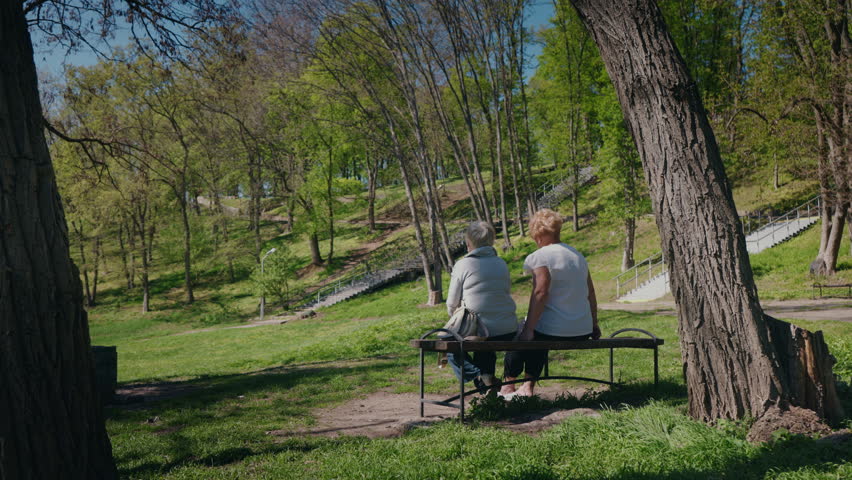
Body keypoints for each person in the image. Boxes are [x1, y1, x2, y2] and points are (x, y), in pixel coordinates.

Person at [500, 209, 600, 398]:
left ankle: (508, 385)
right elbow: (591, 292)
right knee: (539, 331)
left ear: (537, 235)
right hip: (582, 330)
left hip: (555, 331)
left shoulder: (541, 256)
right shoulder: (578, 256)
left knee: (525, 333)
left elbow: (541, 292)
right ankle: (527, 385)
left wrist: (528, 329)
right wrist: (594, 324)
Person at [445, 221, 518, 392]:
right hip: (508, 329)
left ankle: (479, 377)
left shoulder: (463, 264)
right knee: (484, 344)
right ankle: (487, 384)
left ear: (468, 243)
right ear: (492, 242)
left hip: (479, 330)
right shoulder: (501, 263)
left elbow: (451, 303)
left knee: (449, 344)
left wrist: (455, 319)